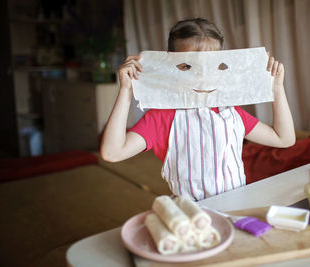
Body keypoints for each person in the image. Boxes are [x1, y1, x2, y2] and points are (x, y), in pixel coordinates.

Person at [100, 18, 295, 201]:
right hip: (189, 215)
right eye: (187, 66)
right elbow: (112, 153)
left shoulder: (231, 111)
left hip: (237, 207)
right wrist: (126, 90)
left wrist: (276, 87)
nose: (201, 76)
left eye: (211, 65)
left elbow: (284, 139)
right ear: (171, 66)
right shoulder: (162, 116)